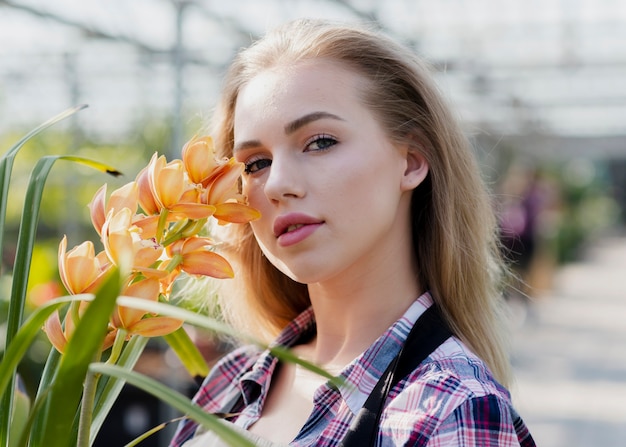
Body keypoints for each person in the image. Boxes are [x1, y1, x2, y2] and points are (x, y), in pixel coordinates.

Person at [170, 18, 535, 447]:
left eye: (320, 142)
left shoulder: (447, 410)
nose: (276, 185)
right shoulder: (233, 381)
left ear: (412, 160)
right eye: (255, 163)